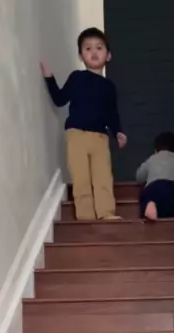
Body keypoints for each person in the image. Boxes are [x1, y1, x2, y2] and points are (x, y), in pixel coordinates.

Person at [41, 28, 127, 221]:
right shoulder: (76, 77)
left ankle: (106, 213)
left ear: (108, 55)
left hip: (100, 138)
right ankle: (86, 217)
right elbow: (59, 99)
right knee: (81, 178)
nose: (94, 52)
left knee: (103, 177)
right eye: (88, 48)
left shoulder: (109, 87)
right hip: (76, 135)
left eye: (99, 48)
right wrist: (49, 78)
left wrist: (118, 132)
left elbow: (112, 114)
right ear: (81, 56)